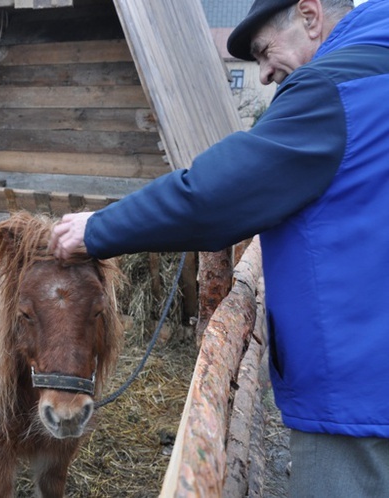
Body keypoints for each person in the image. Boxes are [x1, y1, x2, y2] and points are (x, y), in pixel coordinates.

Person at [49, 0, 389, 496]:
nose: (267, 74)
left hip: (355, 395)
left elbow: (217, 195)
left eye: (264, 51)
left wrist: (99, 228)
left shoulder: (332, 91)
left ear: (310, 15)